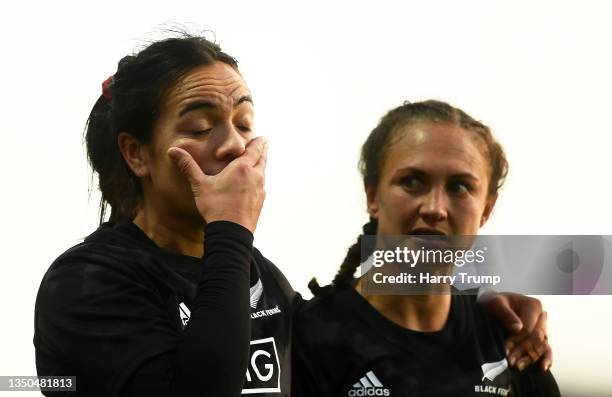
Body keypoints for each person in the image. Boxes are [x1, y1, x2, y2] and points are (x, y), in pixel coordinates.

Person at [34, 33, 551, 397]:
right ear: (137, 153)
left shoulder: (262, 280)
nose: (235, 145)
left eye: (243, 122)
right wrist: (231, 227)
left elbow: (371, 321)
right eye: (199, 126)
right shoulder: (88, 282)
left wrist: (481, 293)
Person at [292, 100, 560, 396]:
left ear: (486, 208)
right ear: (373, 195)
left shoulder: (511, 340)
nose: (435, 209)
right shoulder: (309, 338)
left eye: (459, 187)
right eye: (411, 182)